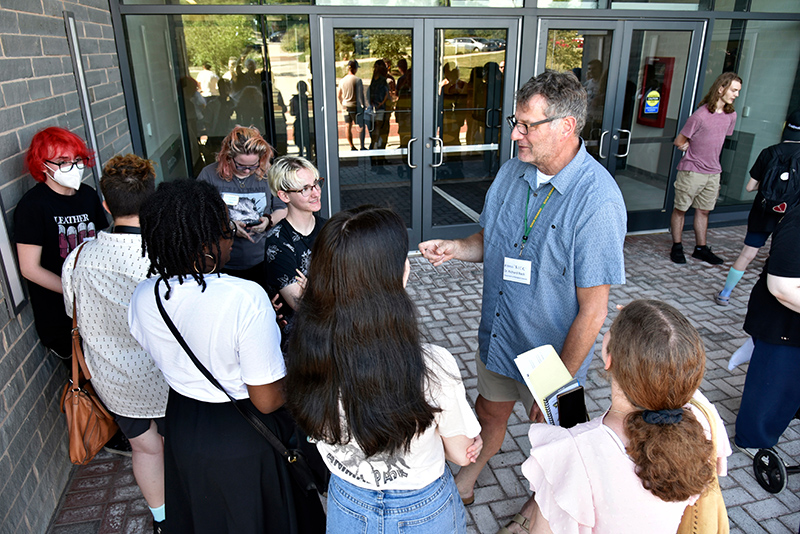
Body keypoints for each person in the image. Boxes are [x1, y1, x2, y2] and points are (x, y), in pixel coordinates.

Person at [419, 70, 627, 523]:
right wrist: (457, 250)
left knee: (556, 442)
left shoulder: (598, 201)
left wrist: (559, 382)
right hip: (500, 337)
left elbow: (594, 311)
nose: (515, 134)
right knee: (487, 414)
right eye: (516, 122)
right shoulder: (513, 171)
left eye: (527, 125)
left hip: (554, 361)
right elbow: (490, 240)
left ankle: (540, 512)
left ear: (566, 126)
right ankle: (467, 481)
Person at [129, 179, 326, 534]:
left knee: (205, 516)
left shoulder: (145, 294)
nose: (231, 237)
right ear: (203, 242)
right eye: (224, 230)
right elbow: (266, 400)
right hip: (244, 434)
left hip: (185, 424)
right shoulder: (244, 297)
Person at [286, 206, 482, 534]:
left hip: (348, 500)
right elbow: (461, 454)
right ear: (394, 276)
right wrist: (469, 439)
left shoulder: (307, 352)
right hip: (423, 506)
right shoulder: (432, 364)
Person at [520, 300, 730, 533]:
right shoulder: (703, 418)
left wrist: (634, 323)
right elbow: (673, 363)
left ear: (609, 360)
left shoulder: (573, 452)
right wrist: (643, 323)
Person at [62, 154, 168, 533]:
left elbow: (72, 310)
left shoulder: (77, 259)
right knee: (182, 445)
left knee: (144, 447)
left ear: (106, 204)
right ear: (152, 201)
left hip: (114, 378)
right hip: (168, 373)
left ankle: (161, 520)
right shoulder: (165, 254)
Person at [15, 126, 109, 361]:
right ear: (42, 165)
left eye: (77, 159)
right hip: (62, 316)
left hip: (96, 304)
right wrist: (74, 291)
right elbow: (29, 268)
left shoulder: (87, 195)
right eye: (62, 161)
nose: (74, 167)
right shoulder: (32, 206)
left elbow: (100, 242)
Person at [715, 110, 800, 305]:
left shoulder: (769, 152)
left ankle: (725, 294)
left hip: (762, 212)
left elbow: (750, 187)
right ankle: (774, 297)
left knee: (748, 254)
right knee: (779, 258)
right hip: (790, 217)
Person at [735, 206, 800, 454]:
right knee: (772, 386)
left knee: (784, 386)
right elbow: (782, 288)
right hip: (783, 322)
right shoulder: (797, 222)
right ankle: (753, 440)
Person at [197, 125, 287, 289]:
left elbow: (282, 208)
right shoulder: (209, 175)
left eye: (254, 165)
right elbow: (199, 216)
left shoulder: (268, 174)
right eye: (241, 165)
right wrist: (229, 226)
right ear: (228, 157)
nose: (247, 170)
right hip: (224, 262)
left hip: (261, 259)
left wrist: (268, 221)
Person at [670, 72, 742, 265]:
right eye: (733, 90)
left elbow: (718, 139)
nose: (736, 94)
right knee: (681, 210)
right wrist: (685, 146)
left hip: (713, 172)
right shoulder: (700, 115)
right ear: (721, 89)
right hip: (692, 171)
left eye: (738, 91)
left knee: (704, 211)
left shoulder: (731, 115)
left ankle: (701, 248)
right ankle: (677, 247)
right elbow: (679, 140)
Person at [264, 156, 326, 339]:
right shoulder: (278, 243)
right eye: (305, 189)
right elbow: (304, 305)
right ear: (284, 196)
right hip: (303, 341)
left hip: (333, 333)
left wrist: (313, 287)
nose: (316, 193)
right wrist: (329, 285)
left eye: (316, 184)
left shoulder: (330, 228)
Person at [338, 60, 366, 151]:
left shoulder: (342, 80)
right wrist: (364, 105)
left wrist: (342, 103)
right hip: (355, 105)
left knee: (348, 126)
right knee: (361, 126)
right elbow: (360, 94)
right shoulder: (357, 80)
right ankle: (362, 145)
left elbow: (339, 95)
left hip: (346, 105)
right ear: (355, 68)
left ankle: (351, 145)